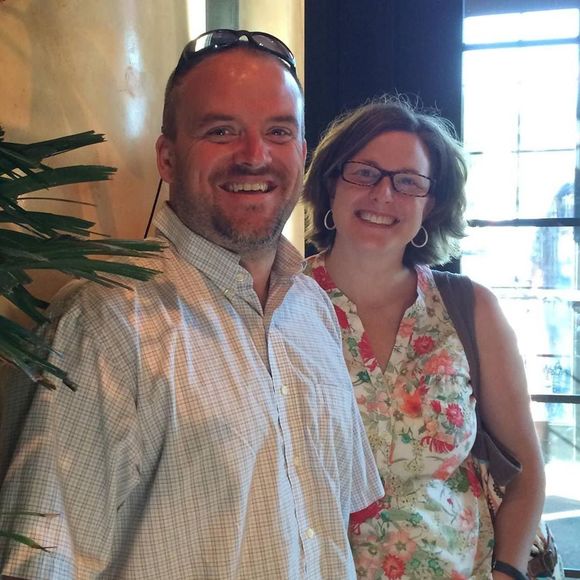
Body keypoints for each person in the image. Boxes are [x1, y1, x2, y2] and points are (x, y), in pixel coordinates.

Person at [0, 30, 383, 579]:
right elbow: (41, 565)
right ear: (168, 157)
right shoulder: (106, 323)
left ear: (301, 154)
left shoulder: (314, 309)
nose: (255, 156)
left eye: (278, 131)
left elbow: (333, 523)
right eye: (221, 130)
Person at [302, 96, 545, 579]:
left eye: (408, 182)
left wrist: (506, 574)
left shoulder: (471, 309)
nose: (383, 194)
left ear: (430, 203)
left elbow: (526, 474)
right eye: (364, 173)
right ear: (331, 183)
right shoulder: (281, 305)